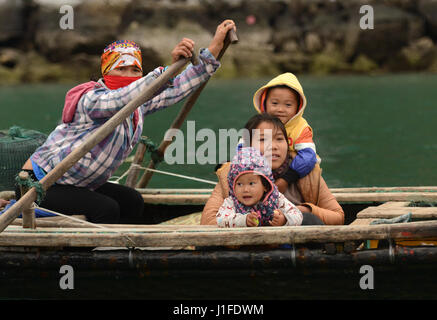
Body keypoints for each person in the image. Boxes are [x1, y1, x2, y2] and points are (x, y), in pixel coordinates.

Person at [16, 20, 237, 224]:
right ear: (106, 70)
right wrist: (167, 70)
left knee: (133, 201)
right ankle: (94, 260)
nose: (128, 74)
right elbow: (121, 98)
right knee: (107, 209)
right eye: (121, 69)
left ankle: (126, 253)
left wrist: (214, 48)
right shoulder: (91, 100)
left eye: (135, 70)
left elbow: (177, 88)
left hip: (79, 185)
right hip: (40, 185)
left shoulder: (137, 106)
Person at [201, 113, 344, 226]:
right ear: (247, 146)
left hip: (293, 249)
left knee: (308, 219)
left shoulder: (307, 172)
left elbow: (338, 217)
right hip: (246, 248)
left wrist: (298, 212)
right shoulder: (234, 174)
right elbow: (208, 222)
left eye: (279, 139)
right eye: (263, 140)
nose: (273, 146)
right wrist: (245, 220)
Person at [252, 72, 319, 188]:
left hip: (292, 177)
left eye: (288, 105)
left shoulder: (301, 128)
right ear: (264, 103)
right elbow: (241, 149)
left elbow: (309, 157)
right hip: (258, 176)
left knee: (314, 167)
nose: (280, 109)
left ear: (298, 107)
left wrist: (286, 179)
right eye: (274, 103)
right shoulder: (258, 124)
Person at [217, 147, 302, 228]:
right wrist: (243, 220)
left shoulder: (276, 199)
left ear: (265, 185)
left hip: (274, 241)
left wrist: (284, 220)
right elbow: (220, 219)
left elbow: (298, 215)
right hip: (242, 242)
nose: (245, 190)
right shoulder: (232, 203)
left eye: (251, 183)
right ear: (233, 186)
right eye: (239, 184)